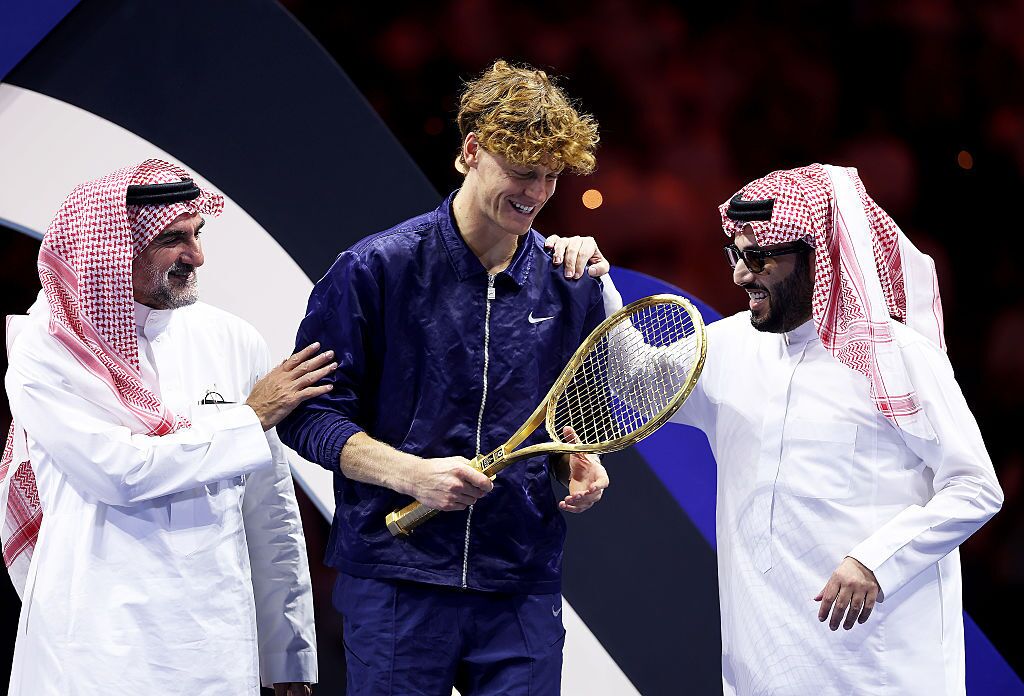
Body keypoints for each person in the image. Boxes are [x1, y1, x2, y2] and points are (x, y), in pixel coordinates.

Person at [579, 162, 1002, 695]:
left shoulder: (895, 356)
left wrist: (876, 562)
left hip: (880, 667)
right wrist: (599, 284)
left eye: (759, 258)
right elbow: (635, 381)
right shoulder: (726, 347)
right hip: (765, 667)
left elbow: (975, 487)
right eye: (735, 255)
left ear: (817, 257)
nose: (740, 276)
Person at [278, 60, 614, 694]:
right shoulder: (374, 268)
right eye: (522, 171)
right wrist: (410, 474)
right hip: (395, 577)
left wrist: (581, 459)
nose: (538, 192)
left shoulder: (570, 283)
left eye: (551, 176)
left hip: (519, 581)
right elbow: (308, 415)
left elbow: (581, 414)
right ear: (471, 152)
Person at [2, 159, 330, 695]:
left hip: (215, 643)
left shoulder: (232, 339)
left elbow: (268, 508)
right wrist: (247, 419)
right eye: (173, 239)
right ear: (114, 249)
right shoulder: (49, 349)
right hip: (92, 645)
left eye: (197, 234)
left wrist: (288, 653)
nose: (196, 256)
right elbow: (120, 472)